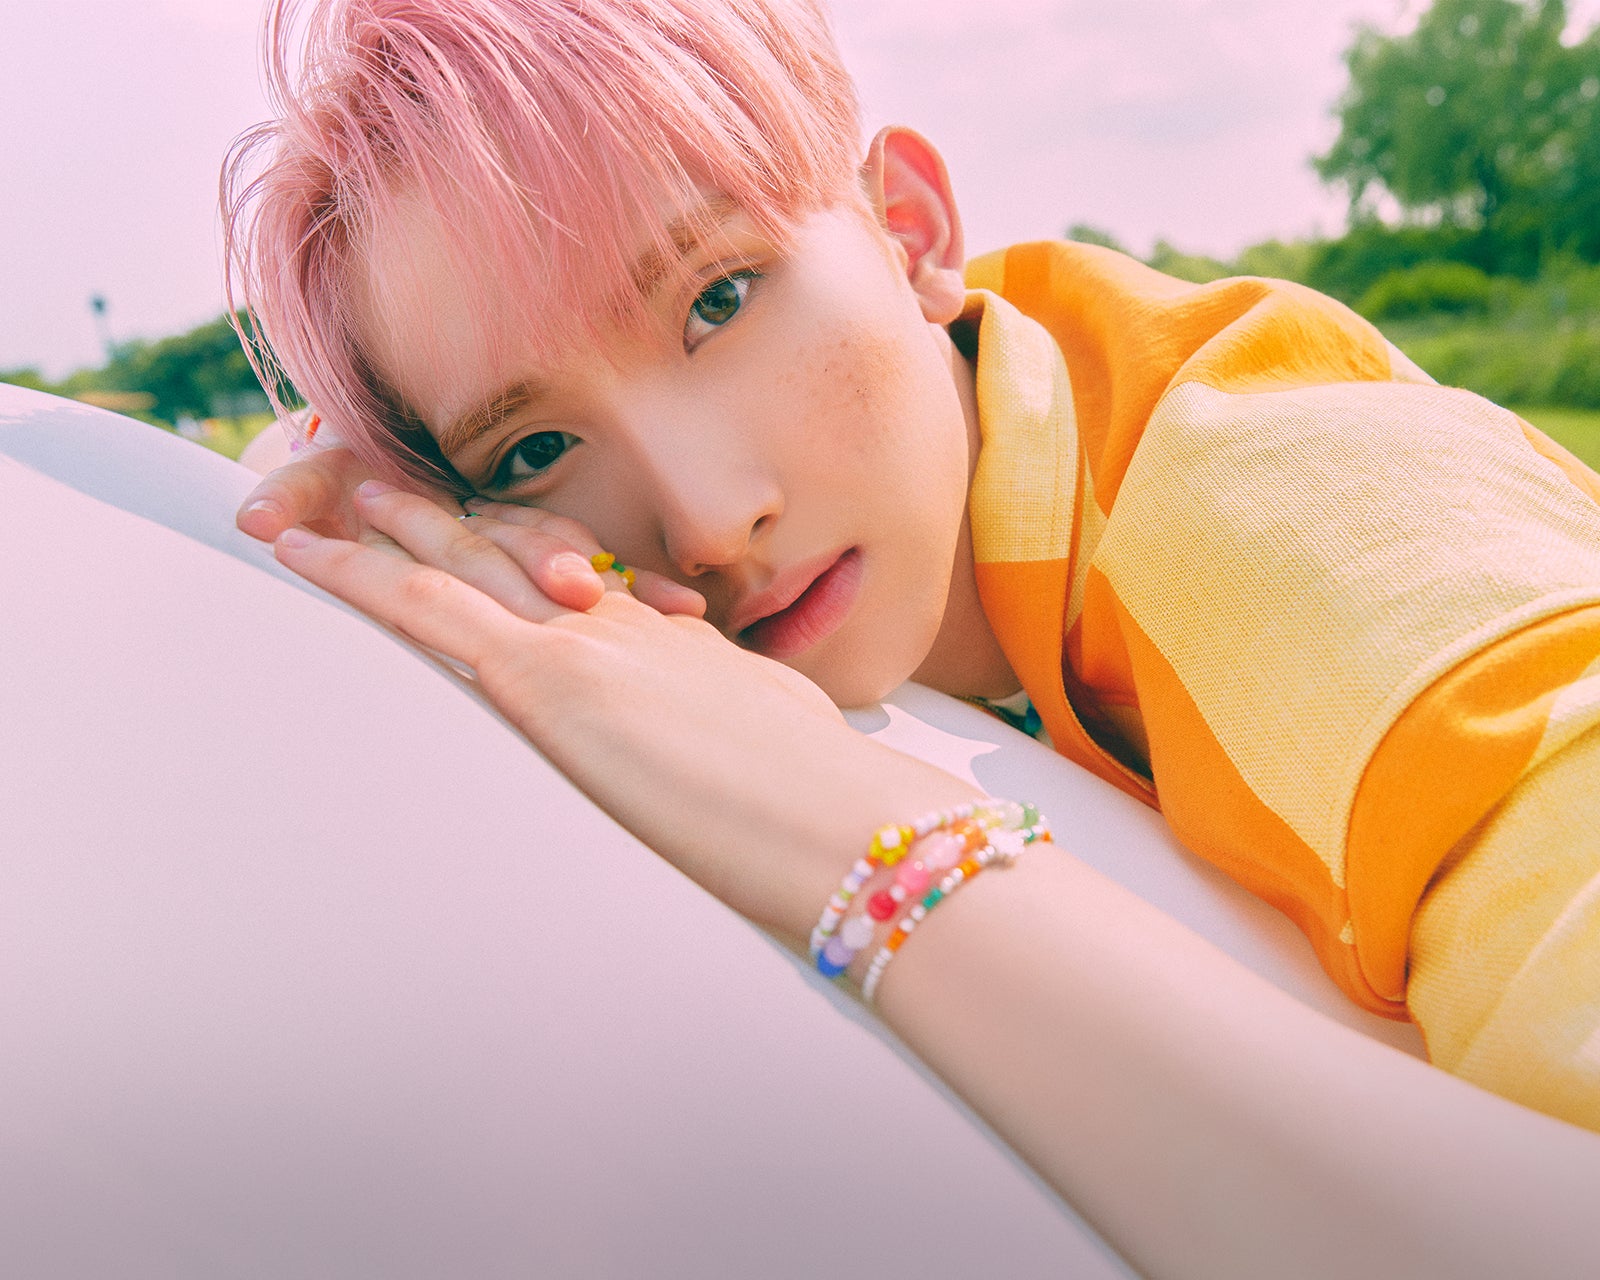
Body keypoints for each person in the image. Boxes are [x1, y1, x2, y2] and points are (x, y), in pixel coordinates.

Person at [225, 0, 1600, 1272]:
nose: (706, 520)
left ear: (910, 229)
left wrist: (848, 829)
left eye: (718, 299)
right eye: (534, 448)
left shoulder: (1321, 538)